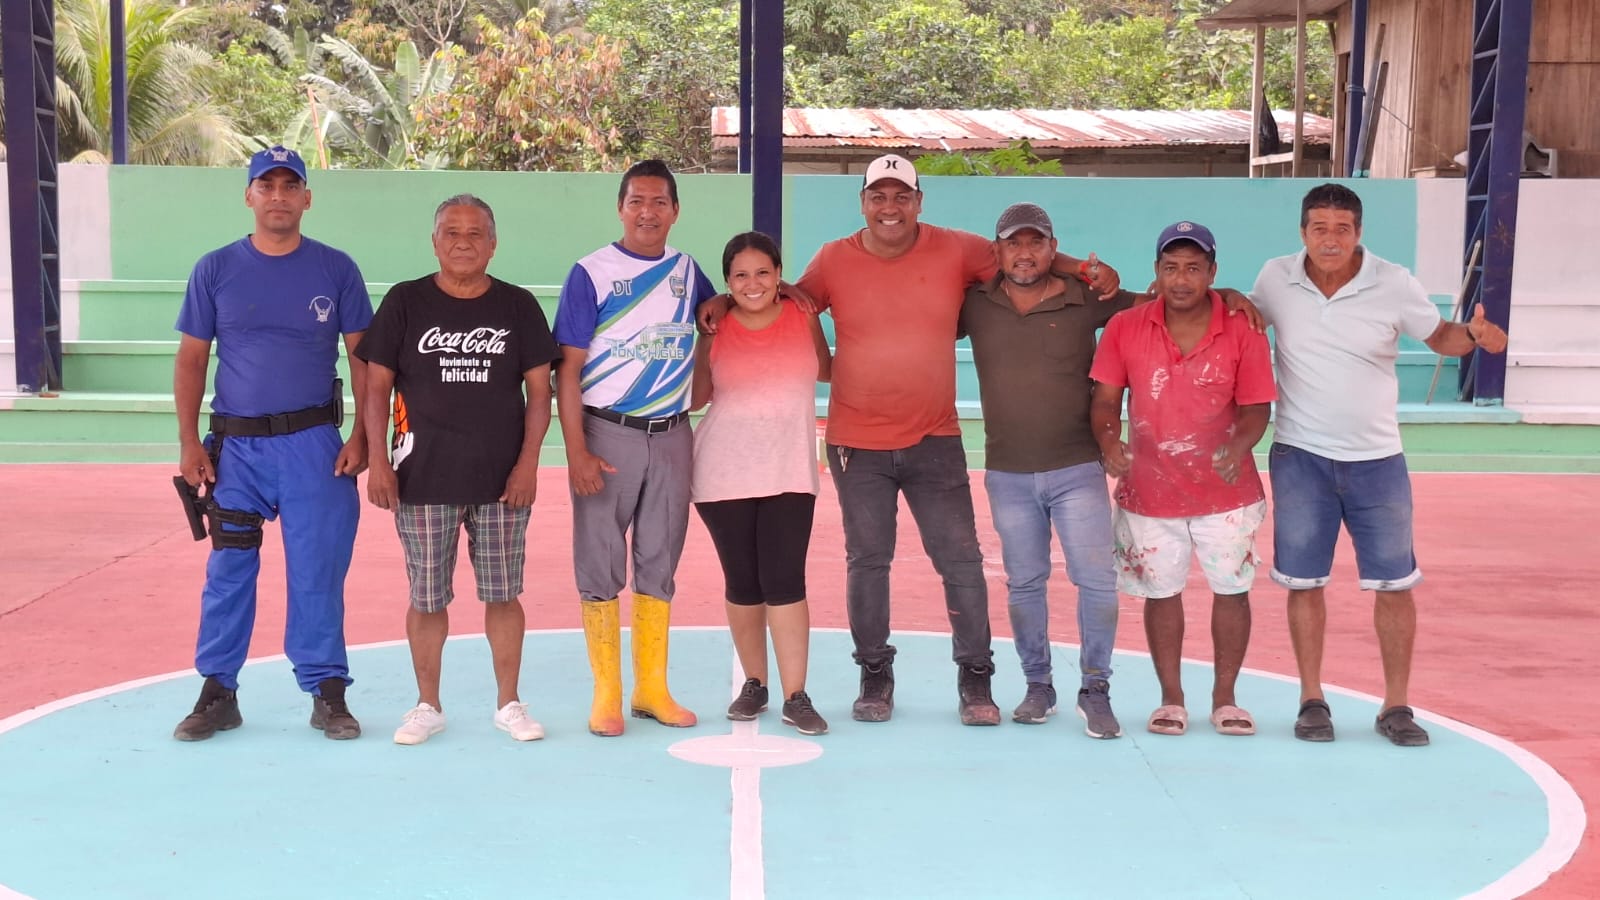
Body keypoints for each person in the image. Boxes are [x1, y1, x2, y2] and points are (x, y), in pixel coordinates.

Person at [786, 154, 1122, 726]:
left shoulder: (957, 249)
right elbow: (793, 303)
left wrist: (1088, 270)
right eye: (878, 196)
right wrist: (820, 360)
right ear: (863, 203)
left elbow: (1022, 256)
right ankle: (875, 675)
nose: (890, 207)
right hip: (855, 442)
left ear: (919, 202)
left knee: (961, 562)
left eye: (901, 196)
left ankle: (975, 679)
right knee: (867, 562)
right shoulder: (833, 258)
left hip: (934, 438)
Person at [1250, 184, 1508, 747]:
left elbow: (1439, 337)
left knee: (1394, 585)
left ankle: (1396, 706)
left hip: (1377, 460)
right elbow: (1241, 322)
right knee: (1304, 582)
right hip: (1299, 456)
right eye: (1320, 228)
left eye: (1342, 229)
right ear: (1302, 232)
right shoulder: (1275, 278)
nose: (1331, 239)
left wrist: (1472, 335)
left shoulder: (1393, 281)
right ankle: (1311, 700)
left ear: (1359, 232)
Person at [171, 145, 371, 741]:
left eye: (290, 186)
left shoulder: (337, 269)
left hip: (315, 447)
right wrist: (188, 442)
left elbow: (364, 360)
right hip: (237, 451)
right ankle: (218, 691)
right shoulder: (215, 269)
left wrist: (363, 434)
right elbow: (191, 360)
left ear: (307, 198)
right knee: (228, 570)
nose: (278, 196)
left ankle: (327, 691)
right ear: (249, 196)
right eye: (267, 185)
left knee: (318, 572)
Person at [355, 194, 558, 745]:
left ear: (493, 244)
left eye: (474, 233)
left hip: (501, 482)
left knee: (503, 593)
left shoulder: (518, 306)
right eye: (451, 232)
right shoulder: (405, 301)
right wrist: (379, 463)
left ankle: (509, 704)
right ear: (434, 241)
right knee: (426, 597)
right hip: (421, 477)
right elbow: (375, 389)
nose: (462, 242)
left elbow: (540, 394)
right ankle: (428, 705)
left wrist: (528, 465)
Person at [1089, 221, 1276, 737]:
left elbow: (1256, 408)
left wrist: (1238, 446)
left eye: (1194, 268)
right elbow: (1105, 401)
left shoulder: (1243, 327)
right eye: (1171, 268)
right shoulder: (1125, 327)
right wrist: (1109, 443)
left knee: (1232, 590)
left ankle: (1225, 699)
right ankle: (1170, 700)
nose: (1181, 279)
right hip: (1149, 492)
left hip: (1227, 495)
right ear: (1156, 271)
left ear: (1213, 273)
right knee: (1161, 593)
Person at [959, 203, 1138, 739]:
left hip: (1077, 467)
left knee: (1096, 580)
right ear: (997, 251)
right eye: (1013, 243)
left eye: (1035, 243)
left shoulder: (1088, 298)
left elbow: (1160, 306)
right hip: (1008, 474)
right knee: (1025, 583)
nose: (1025, 253)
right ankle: (1038, 685)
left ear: (1052, 248)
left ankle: (1095, 689)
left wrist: (1229, 298)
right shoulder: (974, 304)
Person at [553, 160, 717, 737]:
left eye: (659, 202)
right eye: (637, 201)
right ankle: (607, 693)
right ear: (621, 208)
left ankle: (652, 688)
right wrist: (577, 452)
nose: (648, 212)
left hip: (672, 435)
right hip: (607, 433)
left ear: (676, 211)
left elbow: (716, 317)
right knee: (600, 562)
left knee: (660, 560)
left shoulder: (688, 270)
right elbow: (566, 370)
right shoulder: (591, 273)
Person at [689, 232, 833, 736]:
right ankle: (755, 684)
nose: (752, 283)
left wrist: (795, 294)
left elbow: (827, 370)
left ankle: (796, 695)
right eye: (740, 275)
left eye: (763, 273)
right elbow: (697, 398)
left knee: (785, 581)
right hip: (721, 471)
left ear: (779, 276)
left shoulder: (803, 314)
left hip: (789, 471)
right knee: (743, 583)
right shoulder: (715, 325)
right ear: (728, 282)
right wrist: (710, 321)